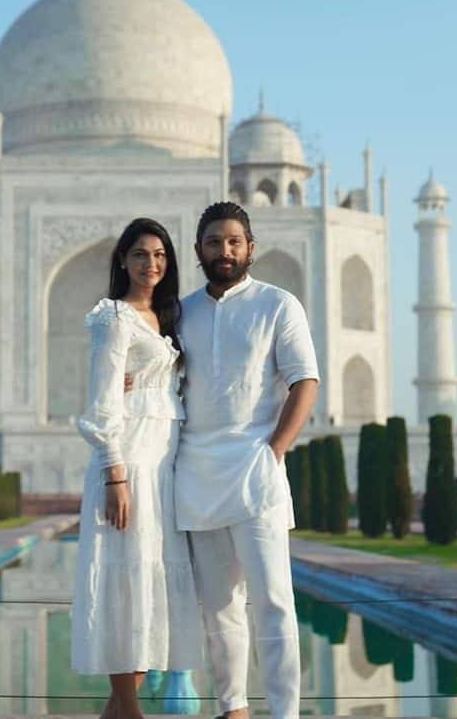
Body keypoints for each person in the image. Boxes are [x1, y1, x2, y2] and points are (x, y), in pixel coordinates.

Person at [175, 202, 320, 719]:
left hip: (254, 468)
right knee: (219, 607)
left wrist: (276, 448)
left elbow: (305, 381)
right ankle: (232, 707)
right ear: (198, 251)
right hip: (196, 472)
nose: (225, 251)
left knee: (274, 601)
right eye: (214, 242)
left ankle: (285, 713)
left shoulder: (278, 305)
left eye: (234, 241)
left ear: (251, 248)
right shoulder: (181, 311)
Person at [71, 218, 202, 719]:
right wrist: (114, 473)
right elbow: (102, 401)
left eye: (161, 255)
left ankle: (118, 711)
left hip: (164, 461)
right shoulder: (114, 317)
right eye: (142, 254)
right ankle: (130, 711)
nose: (152, 264)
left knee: (152, 590)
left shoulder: (167, 319)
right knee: (126, 584)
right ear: (122, 259)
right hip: (128, 463)